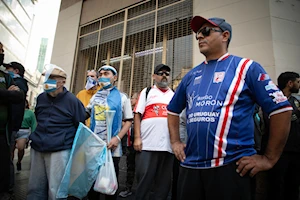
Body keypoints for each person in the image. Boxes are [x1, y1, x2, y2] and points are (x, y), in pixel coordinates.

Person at [167, 16, 292, 200]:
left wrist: (269, 159)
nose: (200, 36)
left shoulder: (246, 67)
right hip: (190, 167)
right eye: (198, 33)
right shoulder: (191, 75)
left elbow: (281, 110)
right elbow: (172, 110)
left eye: (206, 31)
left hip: (231, 168)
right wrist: (176, 142)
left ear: (225, 35)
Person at [26, 65, 86, 200]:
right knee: (34, 187)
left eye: (52, 78)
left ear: (63, 82)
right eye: (46, 78)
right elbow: (38, 117)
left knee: (56, 189)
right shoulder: (41, 98)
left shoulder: (72, 101)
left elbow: (80, 124)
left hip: (59, 149)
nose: (47, 81)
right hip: (38, 147)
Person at [86, 65, 133, 200]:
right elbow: (86, 113)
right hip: (95, 145)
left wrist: (117, 138)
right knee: (93, 184)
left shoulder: (123, 97)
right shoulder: (95, 96)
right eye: (101, 74)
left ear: (115, 77)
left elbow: (129, 121)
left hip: (113, 146)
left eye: (107, 74)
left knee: (110, 184)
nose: (103, 77)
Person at [134, 64, 174, 200]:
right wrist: (137, 138)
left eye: (167, 73)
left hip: (167, 146)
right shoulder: (147, 91)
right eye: (160, 73)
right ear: (154, 76)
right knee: (144, 182)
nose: (164, 75)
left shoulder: (174, 94)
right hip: (147, 144)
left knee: (163, 185)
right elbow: (137, 115)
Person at [265, 72, 300, 200]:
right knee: (276, 187)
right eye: (297, 82)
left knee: (294, 185)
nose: (298, 85)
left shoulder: (295, 101)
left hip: (295, 150)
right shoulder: (272, 100)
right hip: (279, 152)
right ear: (290, 83)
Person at [0, 42, 24, 200]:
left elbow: (19, 95)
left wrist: (4, 94)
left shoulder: (5, 76)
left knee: (3, 163)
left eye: (2, 51)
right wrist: (6, 94)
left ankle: (4, 191)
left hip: (2, 131)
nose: (2, 53)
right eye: (0, 50)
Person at [119, 92, 139, 198]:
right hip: (129, 143)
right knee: (129, 166)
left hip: (137, 143)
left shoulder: (139, 112)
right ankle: (128, 188)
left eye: (133, 98)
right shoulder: (129, 111)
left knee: (138, 167)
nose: (131, 100)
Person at [11, 99, 36, 172]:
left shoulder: (30, 113)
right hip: (13, 130)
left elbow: (33, 124)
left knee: (20, 148)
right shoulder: (14, 110)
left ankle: (19, 161)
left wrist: (33, 134)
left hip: (24, 131)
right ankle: (11, 164)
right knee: (11, 149)